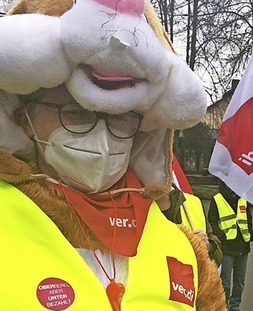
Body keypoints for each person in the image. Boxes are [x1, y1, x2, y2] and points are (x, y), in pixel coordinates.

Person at [0, 0, 225, 309]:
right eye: (77, 113)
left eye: (120, 117)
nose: (103, 137)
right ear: (25, 118)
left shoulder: (184, 250)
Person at [208, 181, 253, 311]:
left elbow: (248, 219)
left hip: (243, 245)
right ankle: (225, 306)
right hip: (227, 247)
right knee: (226, 283)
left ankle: (235, 306)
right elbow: (212, 220)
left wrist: (250, 234)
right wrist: (220, 237)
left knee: (240, 282)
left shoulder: (242, 198)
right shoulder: (217, 199)